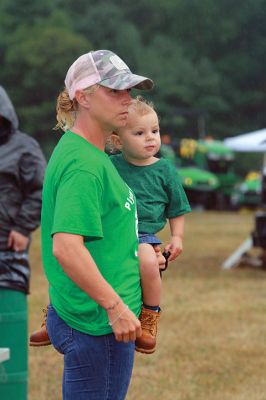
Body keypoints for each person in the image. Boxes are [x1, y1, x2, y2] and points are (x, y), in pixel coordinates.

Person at [32, 49, 157, 400]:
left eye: (128, 91)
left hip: (93, 319)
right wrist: (115, 308)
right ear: (82, 97)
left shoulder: (85, 151)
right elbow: (67, 247)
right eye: (115, 91)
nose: (127, 101)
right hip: (99, 326)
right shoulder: (84, 165)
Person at [110, 97, 191, 354]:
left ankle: (150, 315)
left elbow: (177, 207)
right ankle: (59, 313)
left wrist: (177, 237)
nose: (150, 138)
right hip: (113, 231)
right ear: (118, 140)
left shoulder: (165, 169)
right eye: (140, 132)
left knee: (147, 260)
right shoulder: (111, 166)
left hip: (143, 235)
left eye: (154, 131)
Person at [0, 86, 46, 399]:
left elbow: (40, 191)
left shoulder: (24, 147)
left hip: (7, 248)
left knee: (7, 329)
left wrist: (22, 226)